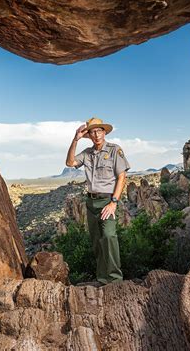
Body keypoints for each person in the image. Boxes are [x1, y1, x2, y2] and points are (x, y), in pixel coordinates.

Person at [65, 117, 130, 285]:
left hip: (107, 201)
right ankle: (103, 279)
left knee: (109, 237)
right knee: (97, 242)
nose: (96, 134)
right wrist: (75, 139)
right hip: (91, 203)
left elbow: (122, 176)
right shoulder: (87, 153)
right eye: (92, 131)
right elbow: (70, 162)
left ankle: (115, 280)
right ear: (90, 135)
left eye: (99, 131)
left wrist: (113, 202)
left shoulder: (115, 150)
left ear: (104, 132)